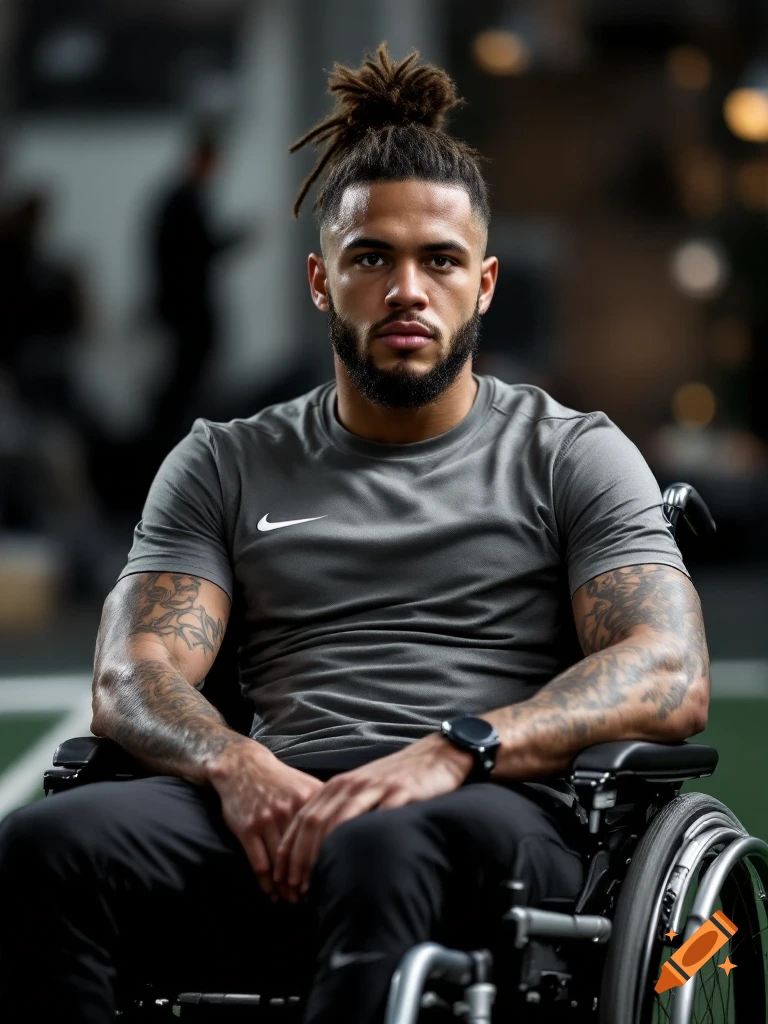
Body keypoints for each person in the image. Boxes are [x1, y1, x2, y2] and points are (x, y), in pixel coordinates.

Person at [0, 45, 710, 1023]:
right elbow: (132, 675)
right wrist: (236, 764)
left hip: (490, 806)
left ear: (485, 284)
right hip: (278, 807)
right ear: (321, 281)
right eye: (372, 258)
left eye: (440, 260)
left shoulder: (572, 453)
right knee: (43, 846)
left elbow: (669, 670)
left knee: (379, 845)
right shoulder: (223, 460)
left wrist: (456, 748)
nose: (407, 289)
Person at [148, 129, 251, 447]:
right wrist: (233, 239)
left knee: (186, 375)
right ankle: (171, 437)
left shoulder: (178, 199)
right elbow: (195, 252)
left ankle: (172, 436)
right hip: (188, 307)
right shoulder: (185, 200)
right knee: (186, 375)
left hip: (183, 305)